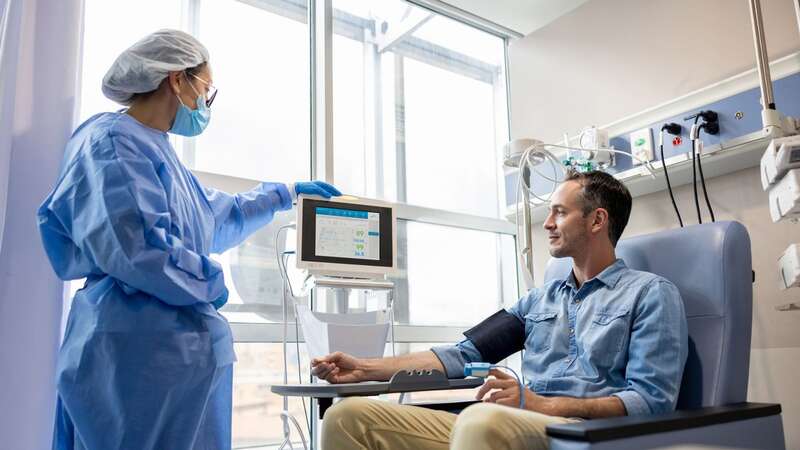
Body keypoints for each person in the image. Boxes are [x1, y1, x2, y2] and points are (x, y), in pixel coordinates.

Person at [37, 29, 340, 450]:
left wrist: (285, 193)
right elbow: (139, 249)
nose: (204, 105)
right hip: (135, 354)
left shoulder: (156, 152)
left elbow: (215, 217)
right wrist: (210, 282)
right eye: (206, 90)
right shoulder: (111, 142)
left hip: (174, 362)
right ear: (177, 79)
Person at [314, 170, 688, 450]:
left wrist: (542, 403)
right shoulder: (538, 300)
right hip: (507, 422)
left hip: (578, 431)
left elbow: (649, 401)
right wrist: (365, 368)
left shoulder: (650, 294)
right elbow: (463, 355)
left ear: (597, 220)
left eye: (559, 212)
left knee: (481, 421)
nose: (547, 223)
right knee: (347, 417)